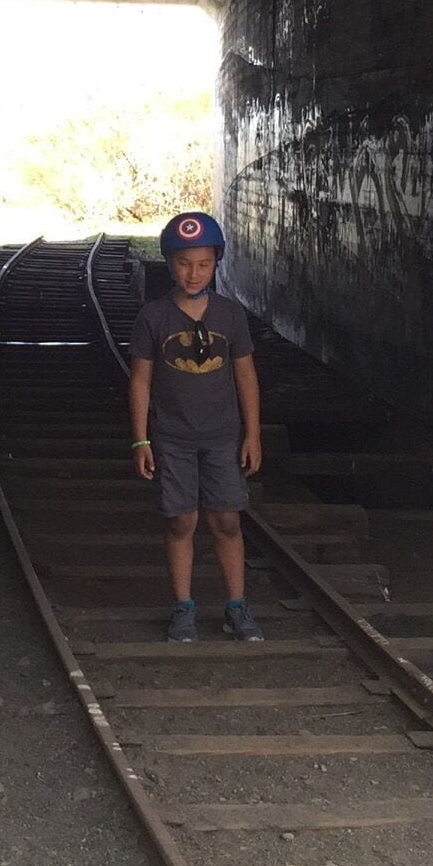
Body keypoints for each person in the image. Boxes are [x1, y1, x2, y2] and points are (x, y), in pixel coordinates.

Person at [129, 211, 265, 644]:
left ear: (216, 264)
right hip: (172, 439)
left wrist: (253, 433)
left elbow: (245, 375)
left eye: (203, 264)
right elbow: (141, 380)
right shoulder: (154, 317)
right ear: (170, 263)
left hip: (222, 437)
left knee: (227, 518)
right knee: (181, 520)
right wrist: (141, 439)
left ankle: (237, 607)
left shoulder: (230, 316)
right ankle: (183, 608)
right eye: (184, 263)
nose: (193, 273)